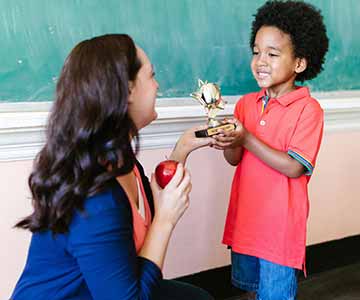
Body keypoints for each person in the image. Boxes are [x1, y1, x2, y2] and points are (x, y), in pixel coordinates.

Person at [11, 34, 214, 300]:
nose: (158, 86)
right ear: (128, 90)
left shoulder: (123, 163)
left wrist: (181, 150)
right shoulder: (96, 196)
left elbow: (134, 227)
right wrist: (165, 220)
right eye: (151, 76)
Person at [212, 1, 329, 299]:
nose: (260, 61)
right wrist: (229, 141)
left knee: (275, 294)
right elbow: (234, 159)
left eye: (273, 54)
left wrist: (247, 137)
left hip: (280, 230)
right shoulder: (245, 105)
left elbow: (294, 166)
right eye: (256, 51)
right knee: (253, 292)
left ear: (299, 63)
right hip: (247, 222)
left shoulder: (308, 109)